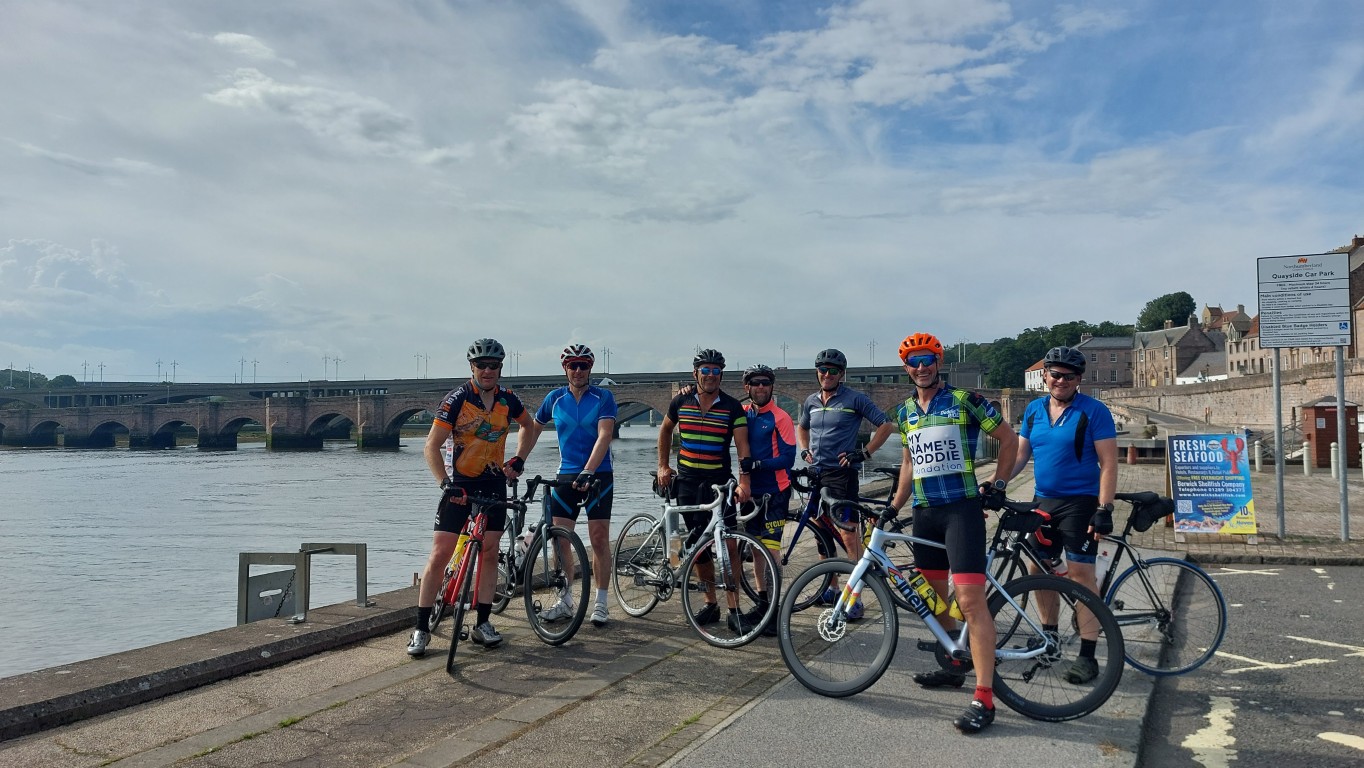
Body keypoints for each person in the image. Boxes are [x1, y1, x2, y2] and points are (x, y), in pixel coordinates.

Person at [884, 332, 1018, 734]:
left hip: (961, 510)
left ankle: (985, 697)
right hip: (925, 513)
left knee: (971, 601)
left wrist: (999, 483)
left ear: (938, 362)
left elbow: (1008, 440)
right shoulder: (905, 411)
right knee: (936, 601)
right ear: (906, 368)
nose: (921, 367)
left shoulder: (965, 401)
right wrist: (894, 506)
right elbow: (908, 464)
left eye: (927, 359)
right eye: (913, 362)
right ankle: (954, 665)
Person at [408, 338, 541, 656]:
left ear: (500, 368)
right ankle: (421, 629)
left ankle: (483, 623)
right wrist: (445, 483)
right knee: (440, 553)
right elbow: (431, 446)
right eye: (481, 365)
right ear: (472, 367)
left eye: (493, 365)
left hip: (493, 484)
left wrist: (519, 458)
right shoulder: (457, 399)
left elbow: (528, 426)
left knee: (490, 553)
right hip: (459, 486)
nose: (487, 370)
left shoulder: (508, 399)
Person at [1008, 345, 1118, 684]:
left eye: (1069, 376)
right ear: (1045, 376)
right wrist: (997, 483)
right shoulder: (1034, 410)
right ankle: (1049, 638)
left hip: (1080, 503)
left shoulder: (1094, 411)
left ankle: (1088, 654)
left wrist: (1104, 508)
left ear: (1078, 379)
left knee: (1081, 576)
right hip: (1044, 501)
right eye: (1055, 374)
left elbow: (1108, 463)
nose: (1061, 381)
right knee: (1037, 567)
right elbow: (1020, 455)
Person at [656, 348, 754, 634]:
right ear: (695, 373)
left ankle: (734, 609)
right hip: (687, 483)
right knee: (697, 547)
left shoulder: (733, 408)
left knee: (730, 546)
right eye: (705, 370)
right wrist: (663, 465)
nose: (710, 375)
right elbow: (665, 430)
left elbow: (743, 447)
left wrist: (744, 481)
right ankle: (711, 604)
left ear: (721, 374)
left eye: (715, 371)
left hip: (719, 484)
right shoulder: (681, 401)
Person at [795, 348, 894, 591]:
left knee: (848, 534)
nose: (827, 374)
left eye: (833, 371)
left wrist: (865, 453)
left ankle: (856, 595)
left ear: (841, 374)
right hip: (817, 474)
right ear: (817, 372)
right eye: (823, 370)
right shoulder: (811, 401)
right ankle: (831, 589)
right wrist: (804, 450)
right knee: (821, 533)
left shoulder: (855, 399)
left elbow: (885, 425)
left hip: (841, 474)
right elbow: (802, 427)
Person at [534, 343, 618, 628]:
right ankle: (566, 601)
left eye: (583, 365)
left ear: (590, 368)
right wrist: (518, 459)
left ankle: (601, 602)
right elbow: (532, 429)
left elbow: (604, 435)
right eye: (573, 365)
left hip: (599, 474)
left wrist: (588, 471)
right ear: (565, 369)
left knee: (598, 538)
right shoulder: (555, 399)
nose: (578, 370)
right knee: (560, 539)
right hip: (566, 474)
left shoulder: (603, 397)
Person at [738, 363, 796, 636]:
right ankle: (762, 602)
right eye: (755, 382)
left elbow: (788, 459)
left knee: (771, 551)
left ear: (772, 387)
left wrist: (757, 464)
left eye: (765, 382)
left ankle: (774, 611)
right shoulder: (743, 414)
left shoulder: (780, 417)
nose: (761, 387)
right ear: (747, 387)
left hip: (775, 492)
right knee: (755, 549)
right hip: (751, 493)